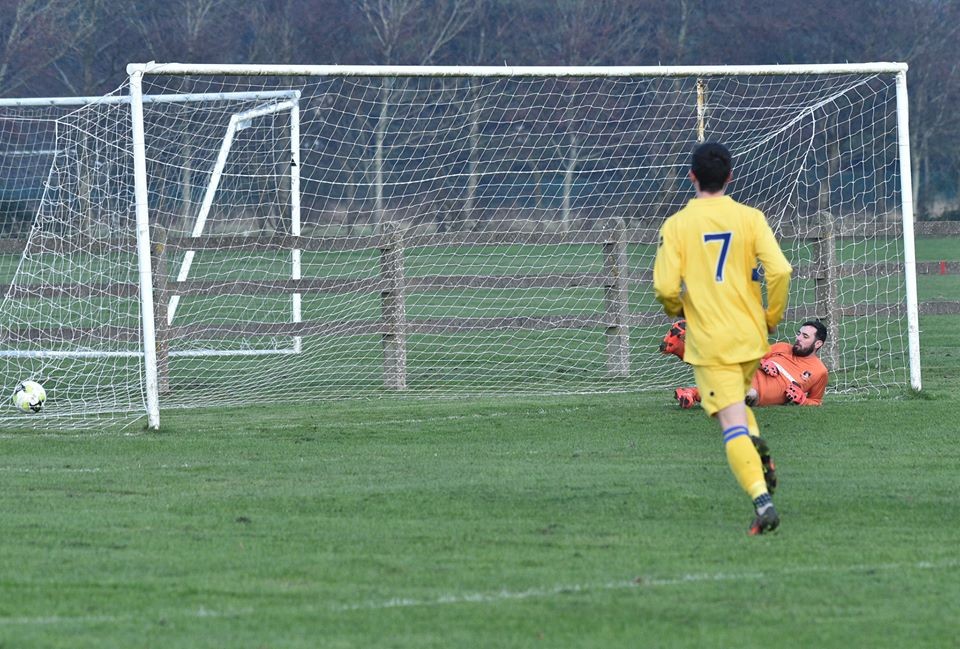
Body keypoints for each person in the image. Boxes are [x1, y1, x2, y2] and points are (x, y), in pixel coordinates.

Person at [653, 142, 793, 535]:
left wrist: (676, 308)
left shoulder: (677, 225)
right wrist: (771, 317)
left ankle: (762, 501)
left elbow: (664, 287)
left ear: (692, 176)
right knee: (736, 406)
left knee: (729, 422)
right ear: (730, 176)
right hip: (750, 337)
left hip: (712, 342)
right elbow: (781, 271)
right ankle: (757, 450)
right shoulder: (751, 218)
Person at [664, 319, 829, 408]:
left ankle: (692, 392)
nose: (798, 338)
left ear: (818, 344)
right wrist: (762, 362)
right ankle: (681, 347)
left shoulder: (820, 371)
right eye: (799, 334)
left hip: (755, 393)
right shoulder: (783, 347)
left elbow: (816, 401)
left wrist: (802, 400)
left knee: (744, 394)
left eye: (805, 337)